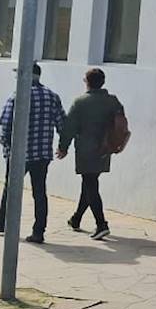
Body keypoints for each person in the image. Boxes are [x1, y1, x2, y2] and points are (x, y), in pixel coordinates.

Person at [0, 63, 64, 244]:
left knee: (10, 188)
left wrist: (6, 147)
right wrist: (63, 146)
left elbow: (6, 124)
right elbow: (62, 124)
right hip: (42, 154)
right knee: (40, 192)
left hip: (20, 154)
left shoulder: (18, 96)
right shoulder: (52, 96)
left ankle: (1, 222)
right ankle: (39, 231)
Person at [59, 67, 123, 241]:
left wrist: (63, 147)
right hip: (105, 148)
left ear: (87, 82)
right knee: (89, 183)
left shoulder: (80, 102)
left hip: (86, 150)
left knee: (90, 184)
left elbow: (70, 127)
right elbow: (119, 122)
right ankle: (76, 218)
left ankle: (101, 224)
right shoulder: (113, 101)